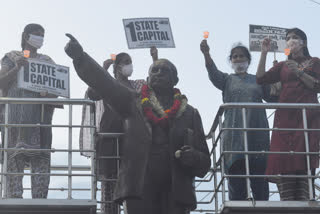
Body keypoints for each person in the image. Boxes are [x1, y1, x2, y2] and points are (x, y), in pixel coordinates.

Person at [65, 34, 211, 214]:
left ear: (175, 79)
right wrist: (80, 57)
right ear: (148, 80)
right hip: (139, 188)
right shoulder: (133, 103)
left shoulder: (190, 113)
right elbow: (106, 84)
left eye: (163, 71)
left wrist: (194, 157)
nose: (158, 74)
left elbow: (205, 163)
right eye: (154, 71)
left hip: (176, 191)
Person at [200, 39, 270, 201]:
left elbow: (271, 95)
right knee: (236, 183)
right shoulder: (227, 80)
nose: (238, 59)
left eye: (242, 56)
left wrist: (276, 74)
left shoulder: (258, 79)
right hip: (234, 136)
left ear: (248, 60)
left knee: (260, 181)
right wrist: (206, 54)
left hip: (257, 133)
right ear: (230, 61)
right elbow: (213, 73)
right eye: (235, 56)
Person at [256, 28, 320, 201]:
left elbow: (317, 86)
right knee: (284, 161)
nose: (291, 40)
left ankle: (306, 202)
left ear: (304, 43)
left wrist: (299, 71)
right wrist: (264, 53)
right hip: (284, 120)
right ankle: (287, 203)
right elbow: (260, 78)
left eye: (295, 37)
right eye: (288, 38)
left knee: (305, 160)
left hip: (307, 119)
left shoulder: (314, 62)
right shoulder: (282, 65)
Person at [81, 52, 147, 214]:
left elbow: (152, 91)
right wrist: (102, 70)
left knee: (134, 179)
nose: (128, 65)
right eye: (125, 62)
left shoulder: (138, 85)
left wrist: (155, 57)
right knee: (110, 181)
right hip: (109, 136)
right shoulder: (108, 83)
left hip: (132, 136)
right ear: (117, 66)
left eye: (130, 61)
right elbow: (92, 93)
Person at [0, 23, 58, 198]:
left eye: (42, 35)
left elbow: (57, 91)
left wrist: (46, 93)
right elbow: (1, 82)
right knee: (13, 162)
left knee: (41, 163)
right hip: (14, 120)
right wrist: (17, 68)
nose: (40, 38)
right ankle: (13, 199)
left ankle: (40, 202)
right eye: (36, 34)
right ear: (26, 36)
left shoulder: (47, 61)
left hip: (39, 121)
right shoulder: (11, 58)